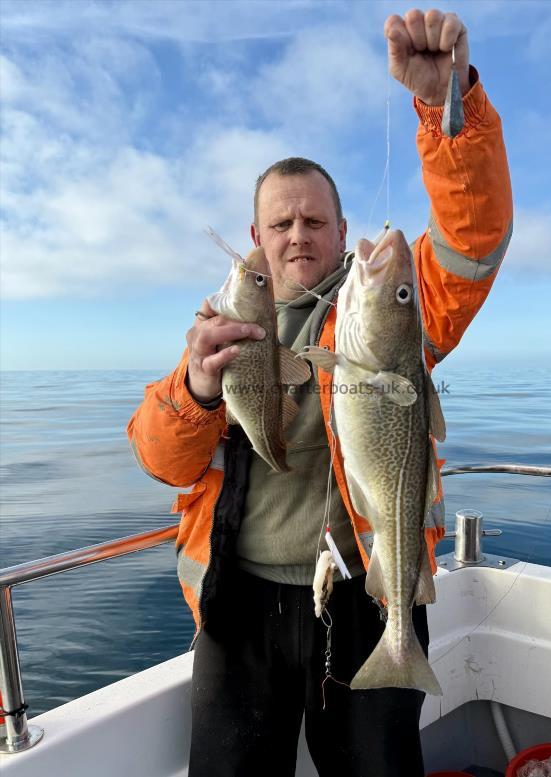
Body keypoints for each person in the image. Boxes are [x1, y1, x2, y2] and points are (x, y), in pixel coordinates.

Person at [128, 8, 512, 777]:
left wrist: (450, 108)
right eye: (282, 222)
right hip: (237, 611)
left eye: (315, 220)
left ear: (341, 233)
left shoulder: (388, 313)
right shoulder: (223, 326)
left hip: (366, 604)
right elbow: (163, 461)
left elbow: (473, 240)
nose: (298, 233)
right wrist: (198, 389)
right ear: (258, 236)